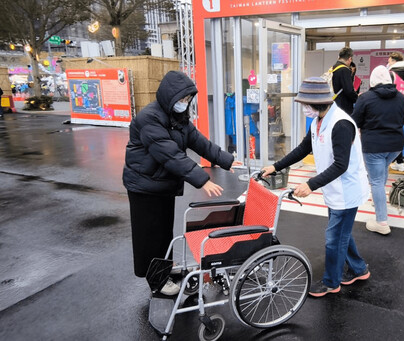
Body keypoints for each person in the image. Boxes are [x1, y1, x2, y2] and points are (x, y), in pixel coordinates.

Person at [123, 71, 241, 295]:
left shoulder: (179, 118)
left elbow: (200, 143)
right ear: (169, 97)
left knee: (164, 231)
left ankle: (163, 269)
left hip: (161, 184)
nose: (184, 103)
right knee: (150, 235)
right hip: (144, 186)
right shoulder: (149, 118)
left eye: (187, 99)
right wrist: (202, 179)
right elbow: (169, 154)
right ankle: (157, 281)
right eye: (181, 99)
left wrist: (226, 160)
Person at [261, 77, 370, 298]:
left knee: (334, 237)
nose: (303, 108)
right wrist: (276, 166)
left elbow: (341, 164)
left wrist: (310, 185)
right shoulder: (319, 121)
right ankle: (359, 269)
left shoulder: (341, 124)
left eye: (304, 104)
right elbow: (303, 148)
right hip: (335, 189)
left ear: (315, 103)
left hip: (347, 190)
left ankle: (331, 283)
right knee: (341, 234)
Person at [352, 65, 404, 235]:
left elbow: (355, 121)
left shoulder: (365, 98)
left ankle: (382, 222)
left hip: (374, 146)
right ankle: (379, 201)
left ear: (373, 79)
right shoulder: (401, 98)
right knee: (382, 171)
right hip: (396, 146)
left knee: (376, 181)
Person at [387, 53, 404, 172]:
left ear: (394, 61)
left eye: (390, 60)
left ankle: (399, 161)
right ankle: (399, 161)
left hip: (392, 107)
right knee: (396, 134)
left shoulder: (392, 74)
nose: (388, 62)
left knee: (390, 135)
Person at [332, 47, 358, 114]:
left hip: (334, 103)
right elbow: (349, 90)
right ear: (350, 59)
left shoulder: (334, 67)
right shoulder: (344, 70)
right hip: (343, 107)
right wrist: (357, 98)